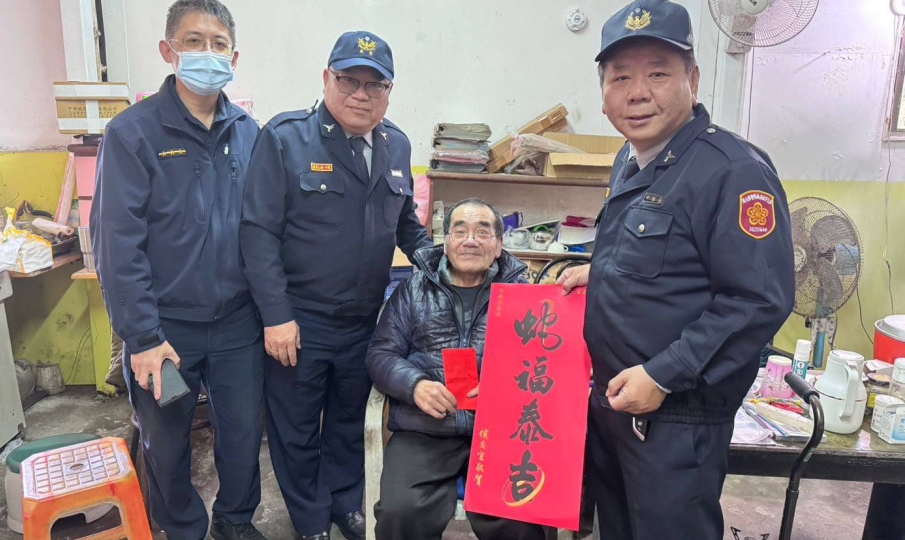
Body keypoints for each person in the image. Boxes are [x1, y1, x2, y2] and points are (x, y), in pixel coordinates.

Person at [557, 1, 795, 538]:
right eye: (621, 77)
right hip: (617, 405)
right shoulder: (631, 159)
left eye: (658, 74)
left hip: (676, 419)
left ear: (693, 79)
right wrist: (605, 270)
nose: (637, 93)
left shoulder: (733, 172)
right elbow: (667, 252)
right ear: (604, 92)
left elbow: (758, 299)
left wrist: (663, 374)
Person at [240, 31, 431, 540]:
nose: (361, 95)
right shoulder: (285, 139)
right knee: (297, 426)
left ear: (389, 91)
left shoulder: (396, 144)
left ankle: (347, 502)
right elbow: (258, 234)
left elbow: (406, 225)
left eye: (375, 85)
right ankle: (309, 517)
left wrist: (447, 261)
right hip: (299, 320)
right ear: (327, 78)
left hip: (365, 321)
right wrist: (276, 316)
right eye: (349, 80)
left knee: (348, 421)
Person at [90, 1, 266, 539]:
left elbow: (263, 229)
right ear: (168, 50)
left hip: (238, 324)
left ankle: (235, 523)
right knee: (166, 445)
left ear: (234, 57)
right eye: (194, 41)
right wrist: (142, 336)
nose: (207, 53)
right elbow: (117, 244)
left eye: (218, 44)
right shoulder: (132, 134)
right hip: (165, 329)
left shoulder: (249, 132)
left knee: (243, 437)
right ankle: (183, 528)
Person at [366, 199, 547, 540]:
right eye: (460, 231)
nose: (470, 240)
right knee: (399, 511)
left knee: (523, 517)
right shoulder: (413, 291)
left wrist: (508, 388)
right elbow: (381, 354)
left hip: (503, 432)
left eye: (483, 232)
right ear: (446, 241)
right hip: (425, 429)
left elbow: (545, 366)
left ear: (499, 245)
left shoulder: (524, 296)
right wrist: (415, 385)